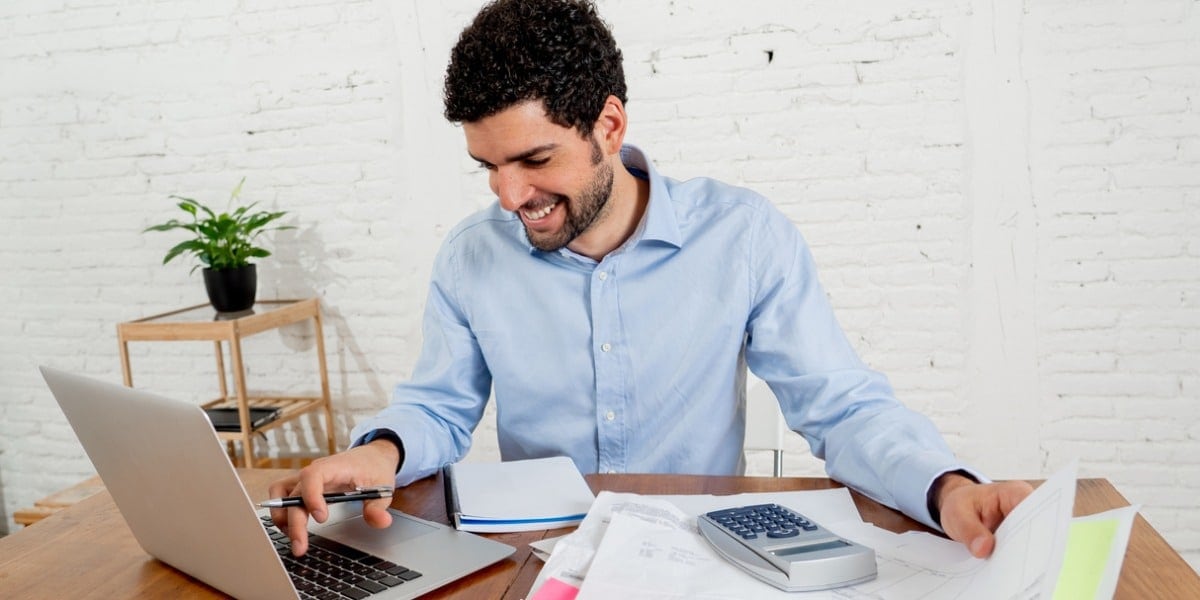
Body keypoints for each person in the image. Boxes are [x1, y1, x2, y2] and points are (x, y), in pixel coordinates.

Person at [270, 0, 1032, 561]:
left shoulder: (743, 237)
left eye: (534, 161)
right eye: (489, 168)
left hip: (701, 561)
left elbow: (840, 406)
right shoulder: (471, 256)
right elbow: (440, 405)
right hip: (539, 561)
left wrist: (947, 488)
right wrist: (383, 453)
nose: (508, 198)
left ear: (608, 124)